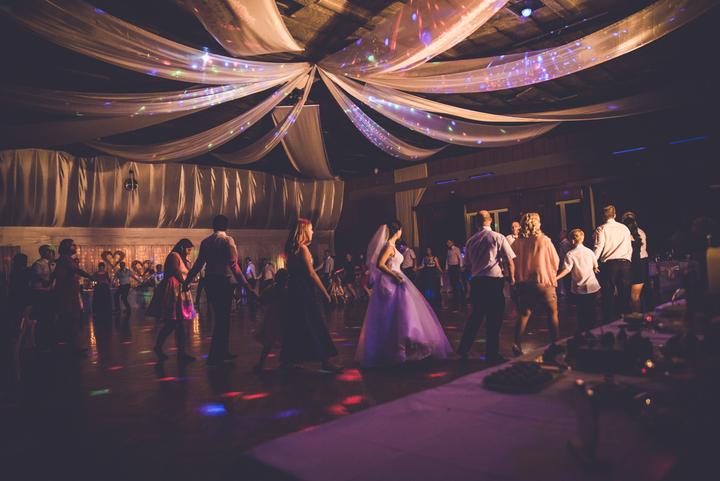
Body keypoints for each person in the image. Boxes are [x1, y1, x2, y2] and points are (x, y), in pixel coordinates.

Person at [356, 221, 453, 367]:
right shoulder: (388, 246)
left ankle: (405, 345)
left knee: (403, 313)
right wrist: (394, 275)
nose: (401, 232)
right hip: (391, 281)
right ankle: (397, 349)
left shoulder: (392, 246)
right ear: (397, 231)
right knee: (395, 314)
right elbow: (380, 264)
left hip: (397, 279)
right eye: (401, 230)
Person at [186, 215, 254, 366]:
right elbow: (234, 266)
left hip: (210, 282)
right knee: (223, 319)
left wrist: (187, 280)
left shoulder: (206, 242)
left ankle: (221, 352)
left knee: (220, 317)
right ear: (226, 226)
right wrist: (247, 286)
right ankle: (216, 354)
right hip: (223, 282)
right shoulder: (228, 240)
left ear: (213, 226)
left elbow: (198, 264)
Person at [281, 218, 340, 373]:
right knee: (315, 322)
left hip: (294, 289)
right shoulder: (303, 249)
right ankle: (325, 361)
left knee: (297, 324)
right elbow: (312, 273)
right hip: (304, 289)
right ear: (304, 230)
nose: (313, 232)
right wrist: (326, 293)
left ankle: (290, 360)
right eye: (311, 229)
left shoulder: (291, 249)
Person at [457, 211, 516, 363]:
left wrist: (469, 284)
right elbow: (509, 260)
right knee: (494, 319)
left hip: (478, 282)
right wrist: (512, 279)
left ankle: (463, 348)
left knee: (475, 317)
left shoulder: (470, 241)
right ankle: (492, 353)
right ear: (490, 220)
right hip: (493, 282)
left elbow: (467, 266)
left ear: (476, 223)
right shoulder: (498, 237)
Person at [511, 213, 561, 356]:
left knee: (524, 314)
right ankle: (555, 344)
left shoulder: (517, 243)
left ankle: (516, 344)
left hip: (524, 283)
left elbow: (512, 262)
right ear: (537, 223)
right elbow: (556, 261)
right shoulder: (544, 240)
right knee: (552, 313)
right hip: (542, 282)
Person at [150, 239, 197, 363]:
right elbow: (176, 271)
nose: (189, 252)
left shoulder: (182, 258)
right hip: (174, 290)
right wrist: (185, 282)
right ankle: (162, 347)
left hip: (179, 290)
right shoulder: (174, 256)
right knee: (173, 322)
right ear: (182, 248)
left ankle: (180, 352)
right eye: (188, 249)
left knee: (178, 323)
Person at [556, 229, 600, 334]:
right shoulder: (590, 252)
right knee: (592, 309)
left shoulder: (570, 254)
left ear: (571, 240)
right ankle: (593, 330)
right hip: (592, 285)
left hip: (579, 287)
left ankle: (583, 331)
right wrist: (595, 268)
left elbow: (567, 269)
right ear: (583, 238)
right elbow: (595, 265)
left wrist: (556, 277)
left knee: (581, 310)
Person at [594, 205, 633, 324]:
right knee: (624, 294)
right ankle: (626, 320)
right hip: (625, 263)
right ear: (615, 215)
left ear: (603, 216)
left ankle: (609, 323)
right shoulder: (624, 228)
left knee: (608, 295)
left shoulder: (601, 228)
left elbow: (599, 247)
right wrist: (628, 260)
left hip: (610, 265)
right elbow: (629, 247)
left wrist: (593, 263)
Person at [53, 239, 91, 356]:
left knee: (72, 320)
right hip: (67, 294)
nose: (75, 247)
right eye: (72, 245)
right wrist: (91, 276)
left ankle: (73, 347)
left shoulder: (66, 259)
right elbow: (75, 270)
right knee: (72, 320)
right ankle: (74, 348)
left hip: (70, 293)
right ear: (66, 247)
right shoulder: (65, 259)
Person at [253, 268, 289, 372]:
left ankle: (261, 363)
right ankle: (285, 362)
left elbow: (262, 299)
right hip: (283, 317)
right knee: (285, 340)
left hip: (272, 317)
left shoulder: (272, 288)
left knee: (268, 342)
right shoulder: (287, 290)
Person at [8, 254, 33, 380]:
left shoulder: (13, 273)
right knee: (21, 330)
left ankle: (18, 369)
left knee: (21, 329)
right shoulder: (26, 272)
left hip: (16, 303)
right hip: (23, 302)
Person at [622, 212, 649, 313]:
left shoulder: (624, 236)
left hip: (632, 266)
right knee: (635, 297)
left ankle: (636, 315)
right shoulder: (639, 234)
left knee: (632, 297)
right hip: (638, 265)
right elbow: (643, 250)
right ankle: (638, 315)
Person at [30, 245, 56, 349]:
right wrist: (47, 282)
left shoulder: (52, 264)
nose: (50, 253)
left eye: (50, 251)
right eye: (48, 251)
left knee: (50, 317)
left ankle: (49, 339)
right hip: (41, 293)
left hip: (50, 292)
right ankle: (41, 341)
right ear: (43, 252)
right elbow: (38, 277)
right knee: (42, 317)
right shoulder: (38, 264)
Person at [445, 239, 464, 307]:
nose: (448, 244)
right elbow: (447, 259)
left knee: (457, 282)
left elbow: (460, 258)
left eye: (449, 242)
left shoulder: (456, 249)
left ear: (452, 242)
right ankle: (455, 299)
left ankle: (460, 299)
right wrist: (446, 268)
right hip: (451, 267)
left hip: (456, 267)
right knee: (452, 283)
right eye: (447, 242)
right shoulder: (448, 250)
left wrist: (461, 266)